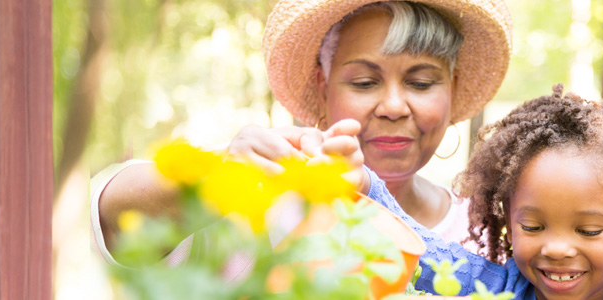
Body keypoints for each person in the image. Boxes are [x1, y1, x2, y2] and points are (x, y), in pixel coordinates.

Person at [91, 0, 511, 271]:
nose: (394, 106)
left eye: (420, 83)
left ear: (452, 89)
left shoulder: (492, 233)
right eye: (364, 82)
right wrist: (214, 173)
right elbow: (109, 216)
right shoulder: (259, 206)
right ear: (322, 87)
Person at [362, 84, 603, 299]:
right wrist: (364, 184)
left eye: (588, 230)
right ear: (508, 219)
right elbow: (421, 250)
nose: (557, 249)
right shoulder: (492, 289)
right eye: (532, 226)